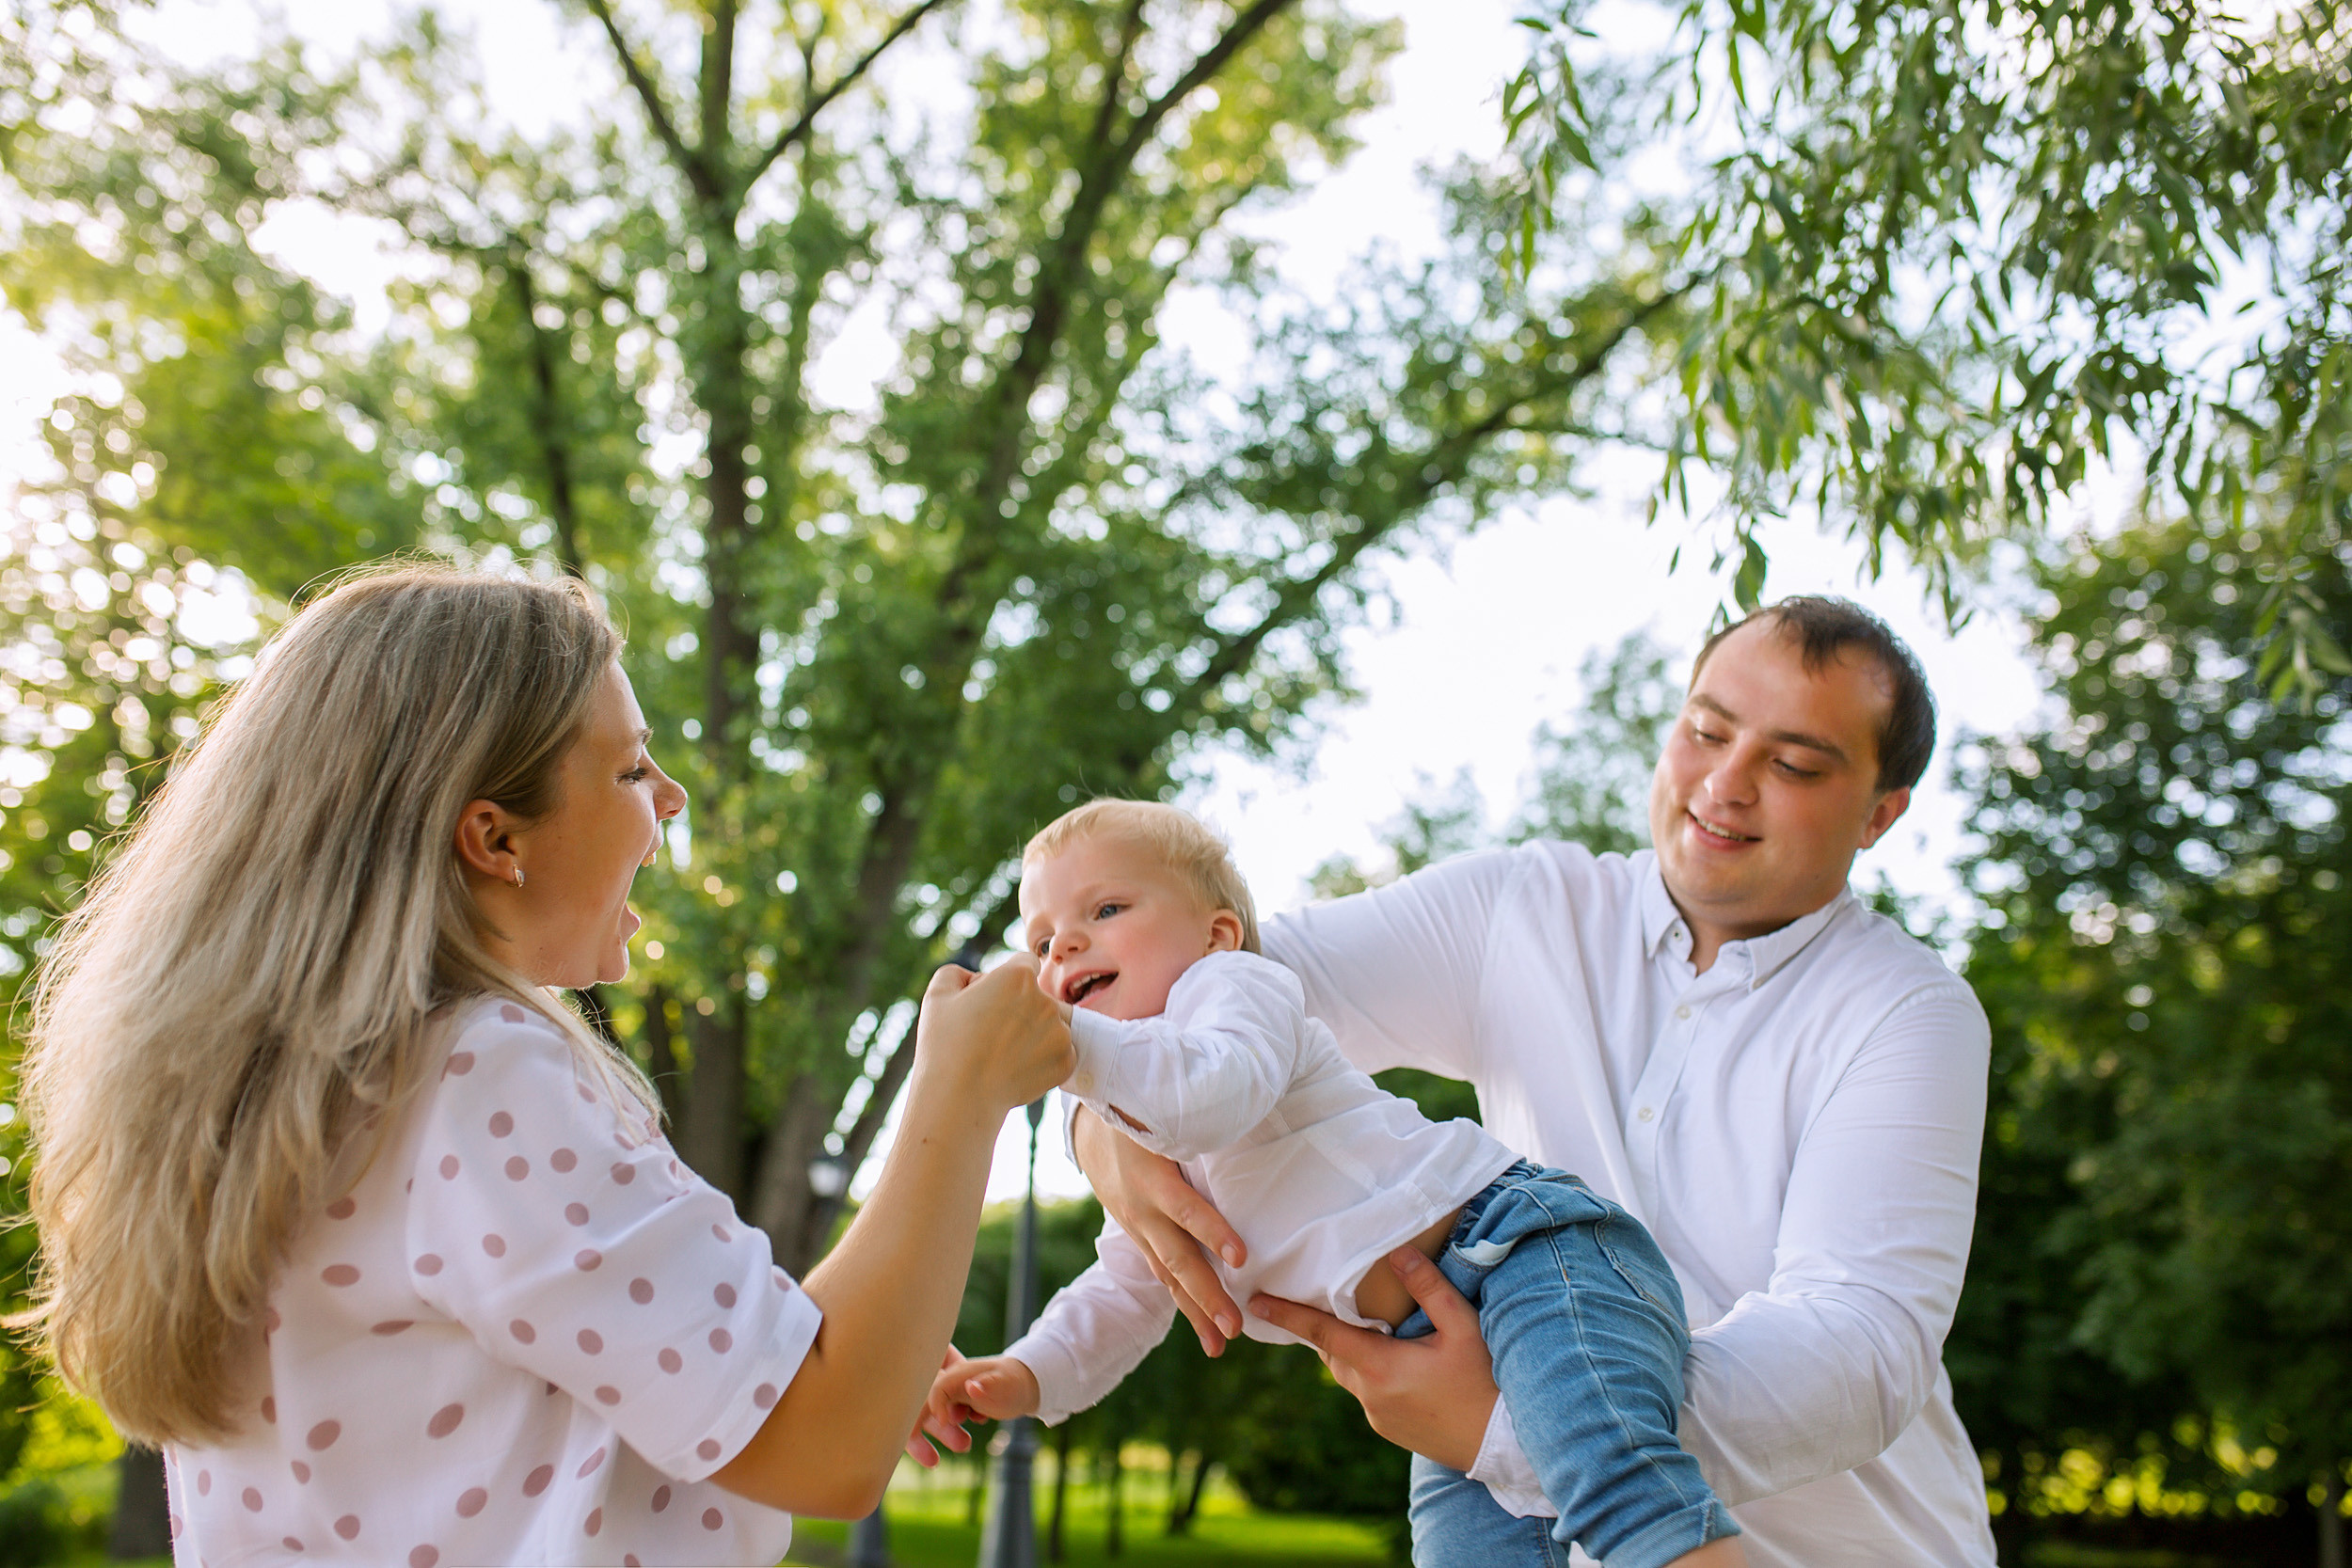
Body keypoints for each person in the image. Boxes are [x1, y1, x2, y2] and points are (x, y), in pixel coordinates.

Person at [13, 565, 1072, 1568]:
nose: (670, 797)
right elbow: (826, 1444)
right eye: (627, 767)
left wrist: (845, 1351)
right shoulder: (478, 1076)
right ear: (493, 833)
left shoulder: (298, 1096)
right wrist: (961, 1090)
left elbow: (661, 1388)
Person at [1072, 597, 1998, 1567]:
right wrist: (1098, 1130)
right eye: (1706, 731)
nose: (1725, 783)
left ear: (1880, 813)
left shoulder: (1907, 1012)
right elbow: (1192, 974)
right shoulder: (1522, 907)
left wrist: (1514, 1417)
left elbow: (1858, 1347)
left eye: (1793, 764)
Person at [918, 800, 1745, 1568]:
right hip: (1428, 1344)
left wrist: (1072, 1051)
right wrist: (1025, 1374)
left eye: (1104, 910)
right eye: (1041, 940)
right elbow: (1124, 1292)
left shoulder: (1239, 993)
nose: (1062, 945)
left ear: (1215, 935)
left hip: (1528, 1254)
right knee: (1467, 1551)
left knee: (1613, 1480)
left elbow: (1210, 1092)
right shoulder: (1134, 1126)